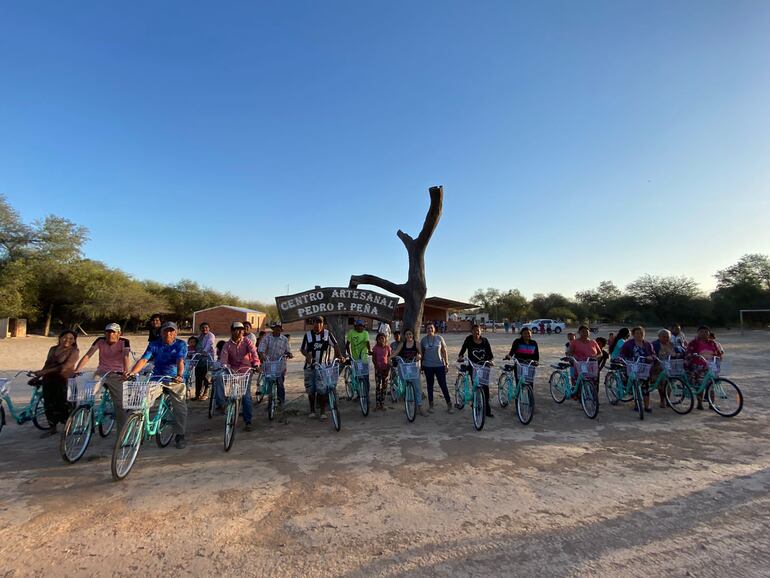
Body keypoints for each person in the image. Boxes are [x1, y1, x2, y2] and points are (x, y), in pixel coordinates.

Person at [128, 322, 188, 448]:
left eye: (171, 331)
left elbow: (180, 360)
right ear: (161, 333)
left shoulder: (180, 344)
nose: (168, 333)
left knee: (180, 407)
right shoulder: (154, 344)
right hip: (157, 377)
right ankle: (139, 427)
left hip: (174, 378)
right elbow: (144, 359)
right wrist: (133, 372)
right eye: (165, 331)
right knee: (143, 399)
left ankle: (180, 435)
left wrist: (179, 375)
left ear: (176, 333)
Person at [75, 323, 132, 434]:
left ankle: (122, 433)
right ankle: (85, 422)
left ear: (119, 333)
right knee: (87, 395)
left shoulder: (124, 342)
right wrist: (77, 369)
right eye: (108, 332)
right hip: (101, 372)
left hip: (117, 374)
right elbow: (88, 355)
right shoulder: (100, 341)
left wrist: (126, 371)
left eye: (113, 332)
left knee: (120, 404)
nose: (110, 334)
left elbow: (126, 356)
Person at [33, 330, 80, 437]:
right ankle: (52, 428)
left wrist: (43, 372)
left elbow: (64, 367)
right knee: (49, 404)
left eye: (71, 338)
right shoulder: (53, 349)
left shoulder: (74, 351)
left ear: (74, 341)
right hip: (49, 380)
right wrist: (38, 376)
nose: (67, 340)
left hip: (64, 380)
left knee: (65, 405)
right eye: (65, 337)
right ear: (60, 338)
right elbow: (47, 364)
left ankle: (67, 429)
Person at [214, 322, 260, 431]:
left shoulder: (247, 342)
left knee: (246, 395)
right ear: (232, 331)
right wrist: (224, 365)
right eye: (237, 329)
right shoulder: (227, 344)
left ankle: (248, 421)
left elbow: (254, 353)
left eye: (242, 330)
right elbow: (224, 358)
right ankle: (221, 404)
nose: (240, 332)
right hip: (231, 370)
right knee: (219, 376)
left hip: (245, 371)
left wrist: (256, 364)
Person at [300, 316, 343, 420]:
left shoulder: (328, 334)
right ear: (312, 323)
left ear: (323, 324)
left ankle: (323, 412)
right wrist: (308, 356)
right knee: (310, 390)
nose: (317, 325)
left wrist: (340, 356)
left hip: (323, 367)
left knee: (322, 390)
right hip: (309, 367)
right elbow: (303, 349)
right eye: (315, 322)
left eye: (320, 323)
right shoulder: (308, 335)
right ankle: (312, 411)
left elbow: (336, 346)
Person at [458, 324, 495, 418]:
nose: (476, 332)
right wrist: (460, 356)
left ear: (481, 331)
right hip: (473, 365)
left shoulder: (485, 340)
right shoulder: (468, 339)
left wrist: (491, 361)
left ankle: (487, 410)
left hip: (484, 366)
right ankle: (475, 403)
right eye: (474, 330)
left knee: (485, 387)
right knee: (475, 384)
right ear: (471, 331)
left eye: (478, 330)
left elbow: (490, 354)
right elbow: (463, 349)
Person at [685, 325, 722, 410]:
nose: (704, 334)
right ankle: (699, 404)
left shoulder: (713, 343)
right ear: (698, 333)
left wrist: (719, 357)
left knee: (711, 385)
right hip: (698, 367)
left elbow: (718, 353)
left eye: (706, 332)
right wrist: (693, 355)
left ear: (709, 334)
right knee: (700, 385)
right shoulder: (693, 343)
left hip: (711, 366)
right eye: (701, 332)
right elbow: (688, 353)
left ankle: (711, 404)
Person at [619, 326, 655, 413]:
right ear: (633, 334)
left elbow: (653, 354)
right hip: (632, 366)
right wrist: (624, 361)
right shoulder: (628, 344)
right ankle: (637, 404)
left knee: (646, 387)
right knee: (635, 385)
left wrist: (651, 357)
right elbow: (622, 354)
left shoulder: (647, 344)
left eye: (641, 333)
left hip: (644, 367)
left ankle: (646, 406)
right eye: (637, 333)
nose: (640, 335)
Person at [258, 321, 293, 406]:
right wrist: (262, 355)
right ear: (273, 329)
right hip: (269, 363)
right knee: (269, 381)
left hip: (280, 364)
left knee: (280, 382)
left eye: (279, 328)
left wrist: (289, 354)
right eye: (276, 328)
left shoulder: (284, 339)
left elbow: (288, 350)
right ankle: (269, 397)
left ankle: (281, 400)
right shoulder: (267, 338)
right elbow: (261, 348)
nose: (277, 330)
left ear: (281, 329)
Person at [420, 322, 453, 413]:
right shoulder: (423, 340)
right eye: (428, 328)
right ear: (425, 330)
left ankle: (449, 404)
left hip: (439, 365)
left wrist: (446, 363)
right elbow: (421, 354)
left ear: (434, 329)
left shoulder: (439, 338)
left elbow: (444, 351)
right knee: (430, 385)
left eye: (431, 328)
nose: (430, 330)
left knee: (443, 385)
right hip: (428, 366)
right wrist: (421, 366)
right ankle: (431, 405)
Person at [652, 329, 678, 408]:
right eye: (664, 337)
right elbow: (652, 354)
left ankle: (667, 399)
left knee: (670, 383)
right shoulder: (654, 344)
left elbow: (677, 352)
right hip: (658, 367)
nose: (666, 338)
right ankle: (662, 400)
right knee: (662, 383)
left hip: (670, 366)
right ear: (659, 337)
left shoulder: (672, 344)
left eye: (668, 337)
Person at [192, 322, 216, 401]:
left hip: (207, 359)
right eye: (202, 327)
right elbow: (193, 345)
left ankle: (205, 393)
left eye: (206, 327)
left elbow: (209, 344)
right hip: (198, 359)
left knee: (206, 377)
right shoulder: (198, 337)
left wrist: (204, 351)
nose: (204, 329)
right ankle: (197, 394)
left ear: (209, 328)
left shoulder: (211, 335)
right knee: (198, 377)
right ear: (200, 329)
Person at [371, 333, 392, 410]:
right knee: (377, 386)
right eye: (379, 339)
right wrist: (377, 367)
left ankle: (382, 403)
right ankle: (377, 404)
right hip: (378, 371)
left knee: (384, 386)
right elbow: (373, 359)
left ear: (385, 339)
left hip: (385, 370)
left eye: (383, 338)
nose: (381, 340)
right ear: (377, 340)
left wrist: (388, 369)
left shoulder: (388, 348)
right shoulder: (375, 348)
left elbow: (389, 359)